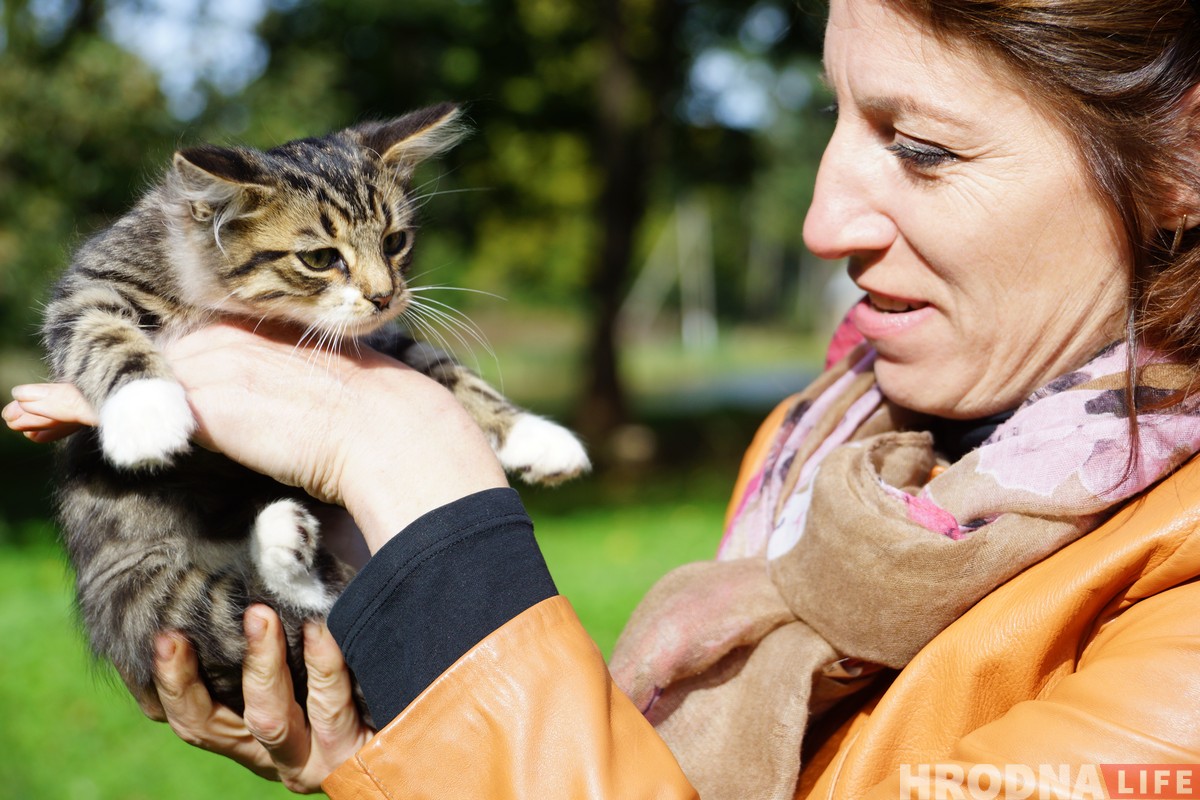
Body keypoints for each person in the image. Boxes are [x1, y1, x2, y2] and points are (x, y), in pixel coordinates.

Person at [7, 0, 1200, 796]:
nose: (821, 219)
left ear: (1178, 166)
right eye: (834, 117)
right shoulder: (826, 437)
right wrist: (407, 733)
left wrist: (419, 481)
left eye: (924, 148)